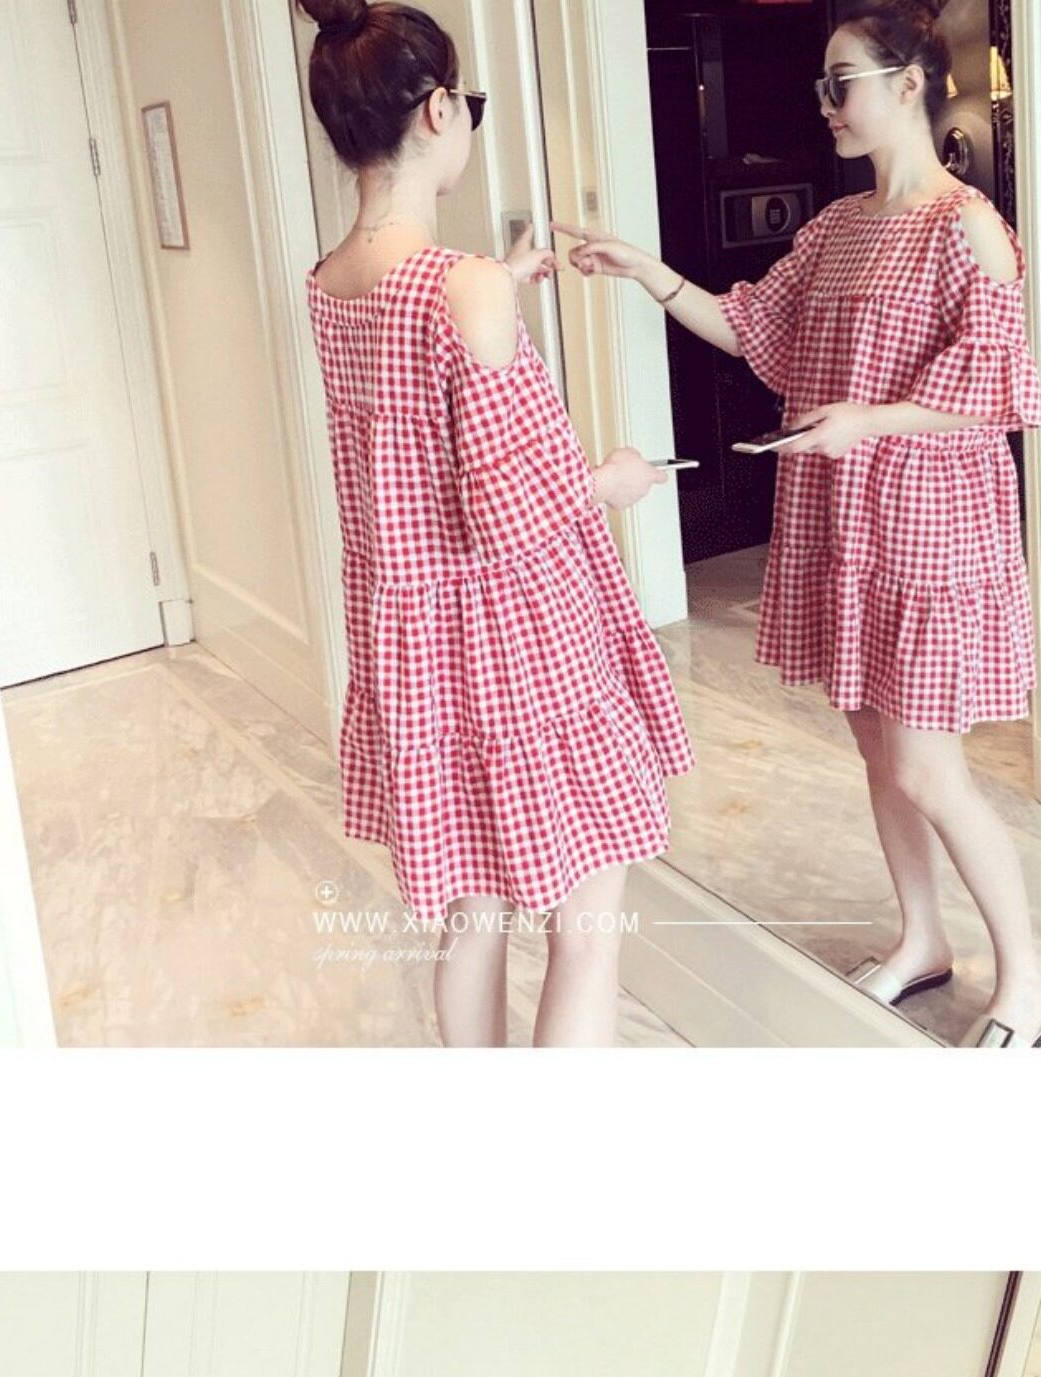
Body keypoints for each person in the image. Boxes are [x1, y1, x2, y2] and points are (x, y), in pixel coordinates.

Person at [555, 0, 1041, 1047]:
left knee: (926, 767)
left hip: (927, 523)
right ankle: (922, 939)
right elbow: (750, 327)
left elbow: (999, 390)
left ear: (908, 85)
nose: (825, 102)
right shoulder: (834, 228)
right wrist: (648, 272)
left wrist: (868, 419)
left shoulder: (965, 226)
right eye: (823, 85)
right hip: (845, 520)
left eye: (842, 82)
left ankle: (1030, 980)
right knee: (876, 751)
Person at [299, 0, 695, 1047]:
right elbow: (510, 510)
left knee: (474, 915)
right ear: (438, 111)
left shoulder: (332, 282)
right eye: (467, 102)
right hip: (517, 644)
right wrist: (612, 478)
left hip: (419, 647)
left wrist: (501, 286)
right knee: (588, 927)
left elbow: (414, 396)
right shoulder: (460, 287)